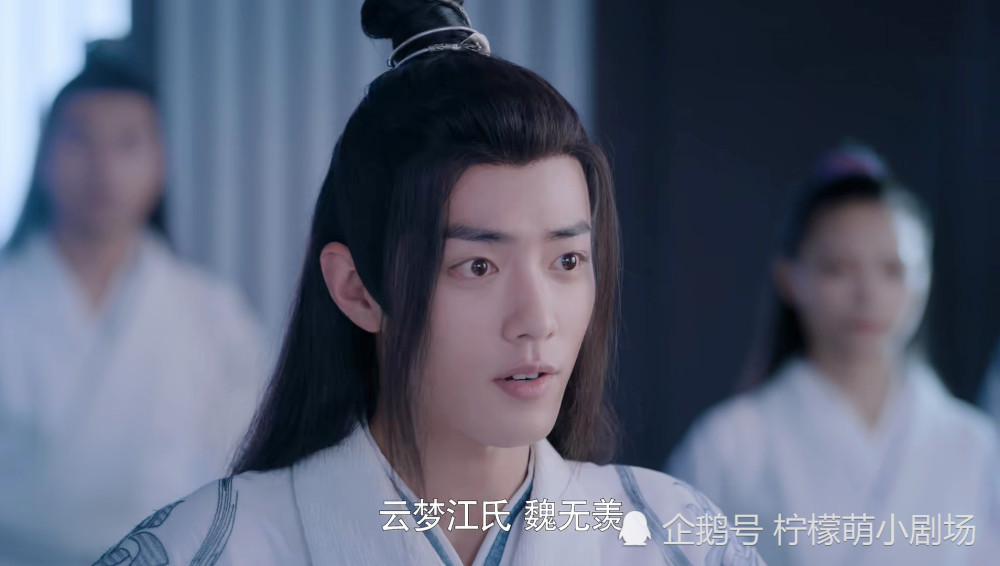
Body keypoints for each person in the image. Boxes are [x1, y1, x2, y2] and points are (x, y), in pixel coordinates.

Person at [91, 1, 766, 565]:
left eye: (566, 261)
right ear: (357, 289)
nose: (537, 320)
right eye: (478, 266)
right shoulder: (209, 548)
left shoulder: (680, 539)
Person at [0, 46, 267, 565]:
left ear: (161, 161)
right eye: (79, 140)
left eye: (127, 142)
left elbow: (249, 469)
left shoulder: (213, 313)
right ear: (44, 157)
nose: (103, 167)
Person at [666, 160, 1000, 565]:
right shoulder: (730, 444)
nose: (868, 293)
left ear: (925, 278)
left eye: (893, 270)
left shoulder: (976, 446)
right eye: (839, 269)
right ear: (789, 277)